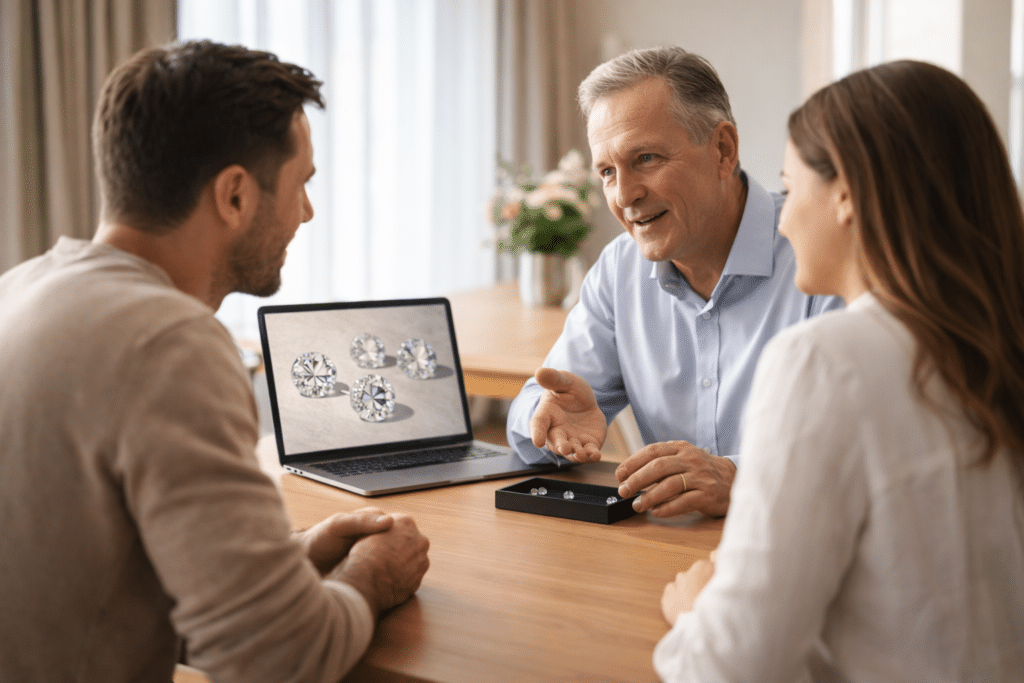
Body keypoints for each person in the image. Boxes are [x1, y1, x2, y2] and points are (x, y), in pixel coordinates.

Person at [0, 40, 429, 683]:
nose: (306, 214)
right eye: (301, 185)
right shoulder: (167, 342)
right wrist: (372, 575)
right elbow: (280, 658)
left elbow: (102, 582)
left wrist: (292, 559)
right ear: (234, 196)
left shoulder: (23, 288)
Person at [655, 60, 1024, 681]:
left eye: (791, 188)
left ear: (848, 193)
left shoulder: (824, 362)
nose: (781, 217)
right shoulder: (995, 341)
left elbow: (733, 666)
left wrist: (697, 610)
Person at [506, 46, 840, 517]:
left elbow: (868, 452)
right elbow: (535, 411)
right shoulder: (619, 269)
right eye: (607, 171)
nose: (624, 195)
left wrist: (743, 478)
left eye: (646, 158)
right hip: (669, 556)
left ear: (723, 150)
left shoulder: (826, 254)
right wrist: (549, 424)